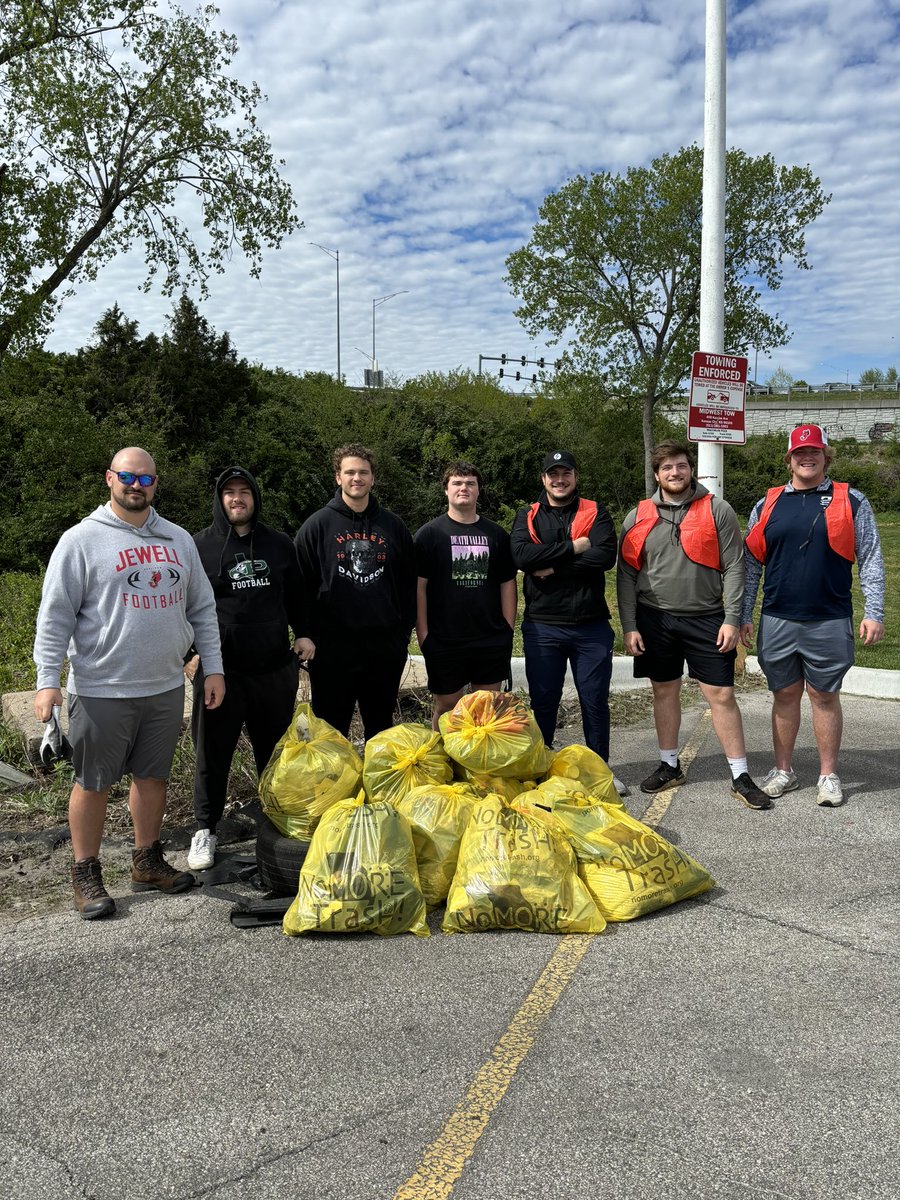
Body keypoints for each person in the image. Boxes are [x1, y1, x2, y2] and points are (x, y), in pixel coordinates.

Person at [32, 448, 225, 920]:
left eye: (145, 479)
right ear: (109, 479)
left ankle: (146, 860)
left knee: (153, 777)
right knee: (92, 782)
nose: (135, 486)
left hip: (163, 685)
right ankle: (85, 871)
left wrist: (214, 666)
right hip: (100, 687)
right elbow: (55, 615)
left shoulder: (178, 539)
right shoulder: (81, 540)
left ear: (156, 484)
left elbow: (202, 607)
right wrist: (46, 680)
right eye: (126, 477)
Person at [617, 440, 770, 810]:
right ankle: (669, 765)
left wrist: (732, 618)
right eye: (667, 467)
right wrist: (630, 625)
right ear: (657, 474)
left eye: (681, 465)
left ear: (691, 470)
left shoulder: (718, 509)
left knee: (721, 696)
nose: (675, 472)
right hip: (654, 619)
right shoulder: (637, 515)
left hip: (707, 618)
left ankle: (740, 775)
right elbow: (625, 573)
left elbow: (735, 566)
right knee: (664, 691)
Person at [740, 423, 885, 806]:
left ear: (825, 456)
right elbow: (752, 562)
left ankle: (827, 775)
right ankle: (783, 770)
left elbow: (870, 557)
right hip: (778, 618)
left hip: (830, 617)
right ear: (789, 459)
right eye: (799, 452)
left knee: (824, 695)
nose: (807, 457)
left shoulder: (851, 499)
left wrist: (874, 611)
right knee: (784, 695)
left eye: (814, 452)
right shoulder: (767, 503)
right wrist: (743, 612)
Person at [185, 466, 315, 871]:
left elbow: (298, 595)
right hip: (221, 672)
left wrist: (305, 633)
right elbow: (182, 604)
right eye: (229, 493)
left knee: (274, 755)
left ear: (255, 498)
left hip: (274, 669)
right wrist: (188, 654)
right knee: (213, 753)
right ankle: (205, 830)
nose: (237, 499)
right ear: (220, 500)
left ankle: (277, 819)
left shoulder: (278, 544)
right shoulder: (197, 546)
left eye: (244, 492)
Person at [511, 450, 626, 793]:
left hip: (590, 626)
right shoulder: (528, 515)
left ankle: (600, 771)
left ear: (576, 477)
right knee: (543, 701)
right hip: (543, 625)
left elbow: (604, 556)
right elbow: (521, 555)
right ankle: (542, 768)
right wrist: (575, 548)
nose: (559, 480)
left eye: (566, 474)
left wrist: (551, 566)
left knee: (594, 700)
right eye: (553, 474)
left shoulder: (595, 511)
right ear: (543, 478)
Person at [294, 444, 416, 740]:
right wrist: (304, 631)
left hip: (383, 647)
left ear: (373, 478)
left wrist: (400, 635)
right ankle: (335, 787)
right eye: (350, 472)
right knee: (331, 731)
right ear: (338, 477)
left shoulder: (393, 526)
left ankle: (379, 785)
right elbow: (299, 586)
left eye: (363, 472)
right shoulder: (317, 526)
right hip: (333, 647)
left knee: (381, 728)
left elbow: (409, 583)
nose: (356, 478)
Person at [414, 461, 517, 728]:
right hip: (444, 638)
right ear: (446, 490)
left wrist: (507, 628)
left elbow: (508, 583)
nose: (464, 488)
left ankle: (479, 769)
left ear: (478, 490)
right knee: (448, 707)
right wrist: (423, 635)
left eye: (470, 483)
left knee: (485, 707)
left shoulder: (496, 534)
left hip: (490, 636)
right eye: (457, 483)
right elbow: (419, 587)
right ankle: (442, 763)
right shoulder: (429, 535)